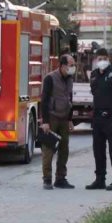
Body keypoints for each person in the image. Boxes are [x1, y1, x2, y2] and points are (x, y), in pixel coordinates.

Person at [86, 48, 112, 191]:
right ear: (96, 60)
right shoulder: (94, 75)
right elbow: (95, 93)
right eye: (99, 58)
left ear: (108, 59)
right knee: (98, 150)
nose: (101, 61)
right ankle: (100, 179)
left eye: (104, 58)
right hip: (98, 118)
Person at [40, 54, 76, 190]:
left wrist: (70, 119)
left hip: (64, 118)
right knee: (48, 149)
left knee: (64, 149)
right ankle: (47, 179)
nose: (73, 67)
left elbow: (70, 100)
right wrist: (45, 121)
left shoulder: (70, 79)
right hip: (52, 117)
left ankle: (60, 178)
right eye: (70, 65)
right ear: (62, 66)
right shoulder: (50, 78)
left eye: (73, 65)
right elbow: (44, 101)